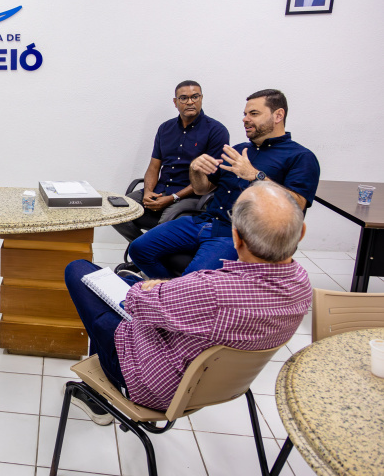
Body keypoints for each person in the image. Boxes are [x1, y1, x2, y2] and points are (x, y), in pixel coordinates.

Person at [65, 181, 312, 423]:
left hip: (156, 387)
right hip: (219, 384)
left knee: (80, 271)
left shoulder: (211, 290)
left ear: (235, 237)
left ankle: (105, 390)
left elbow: (135, 303)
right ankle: (96, 392)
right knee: (124, 281)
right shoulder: (301, 283)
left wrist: (157, 287)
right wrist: (167, 288)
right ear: (301, 233)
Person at [129, 89, 320, 280]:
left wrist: (255, 175)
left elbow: (298, 204)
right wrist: (194, 170)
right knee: (138, 249)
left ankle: (178, 293)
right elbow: (202, 189)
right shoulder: (237, 150)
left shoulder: (301, 157)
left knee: (193, 279)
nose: (245, 119)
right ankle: (169, 288)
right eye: (245, 114)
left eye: (254, 114)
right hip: (204, 222)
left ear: (278, 115)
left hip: (237, 234)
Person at [113, 80, 229, 244]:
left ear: (201, 98)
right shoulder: (165, 128)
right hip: (161, 189)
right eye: (183, 98)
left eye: (195, 97)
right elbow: (154, 167)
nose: (190, 102)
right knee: (117, 210)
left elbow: (210, 180)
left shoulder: (216, 130)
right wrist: (147, 192)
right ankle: (142, 250)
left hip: (192, 195)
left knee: (166, 225)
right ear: (175, 102)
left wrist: (173, 197)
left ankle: (150, 256)